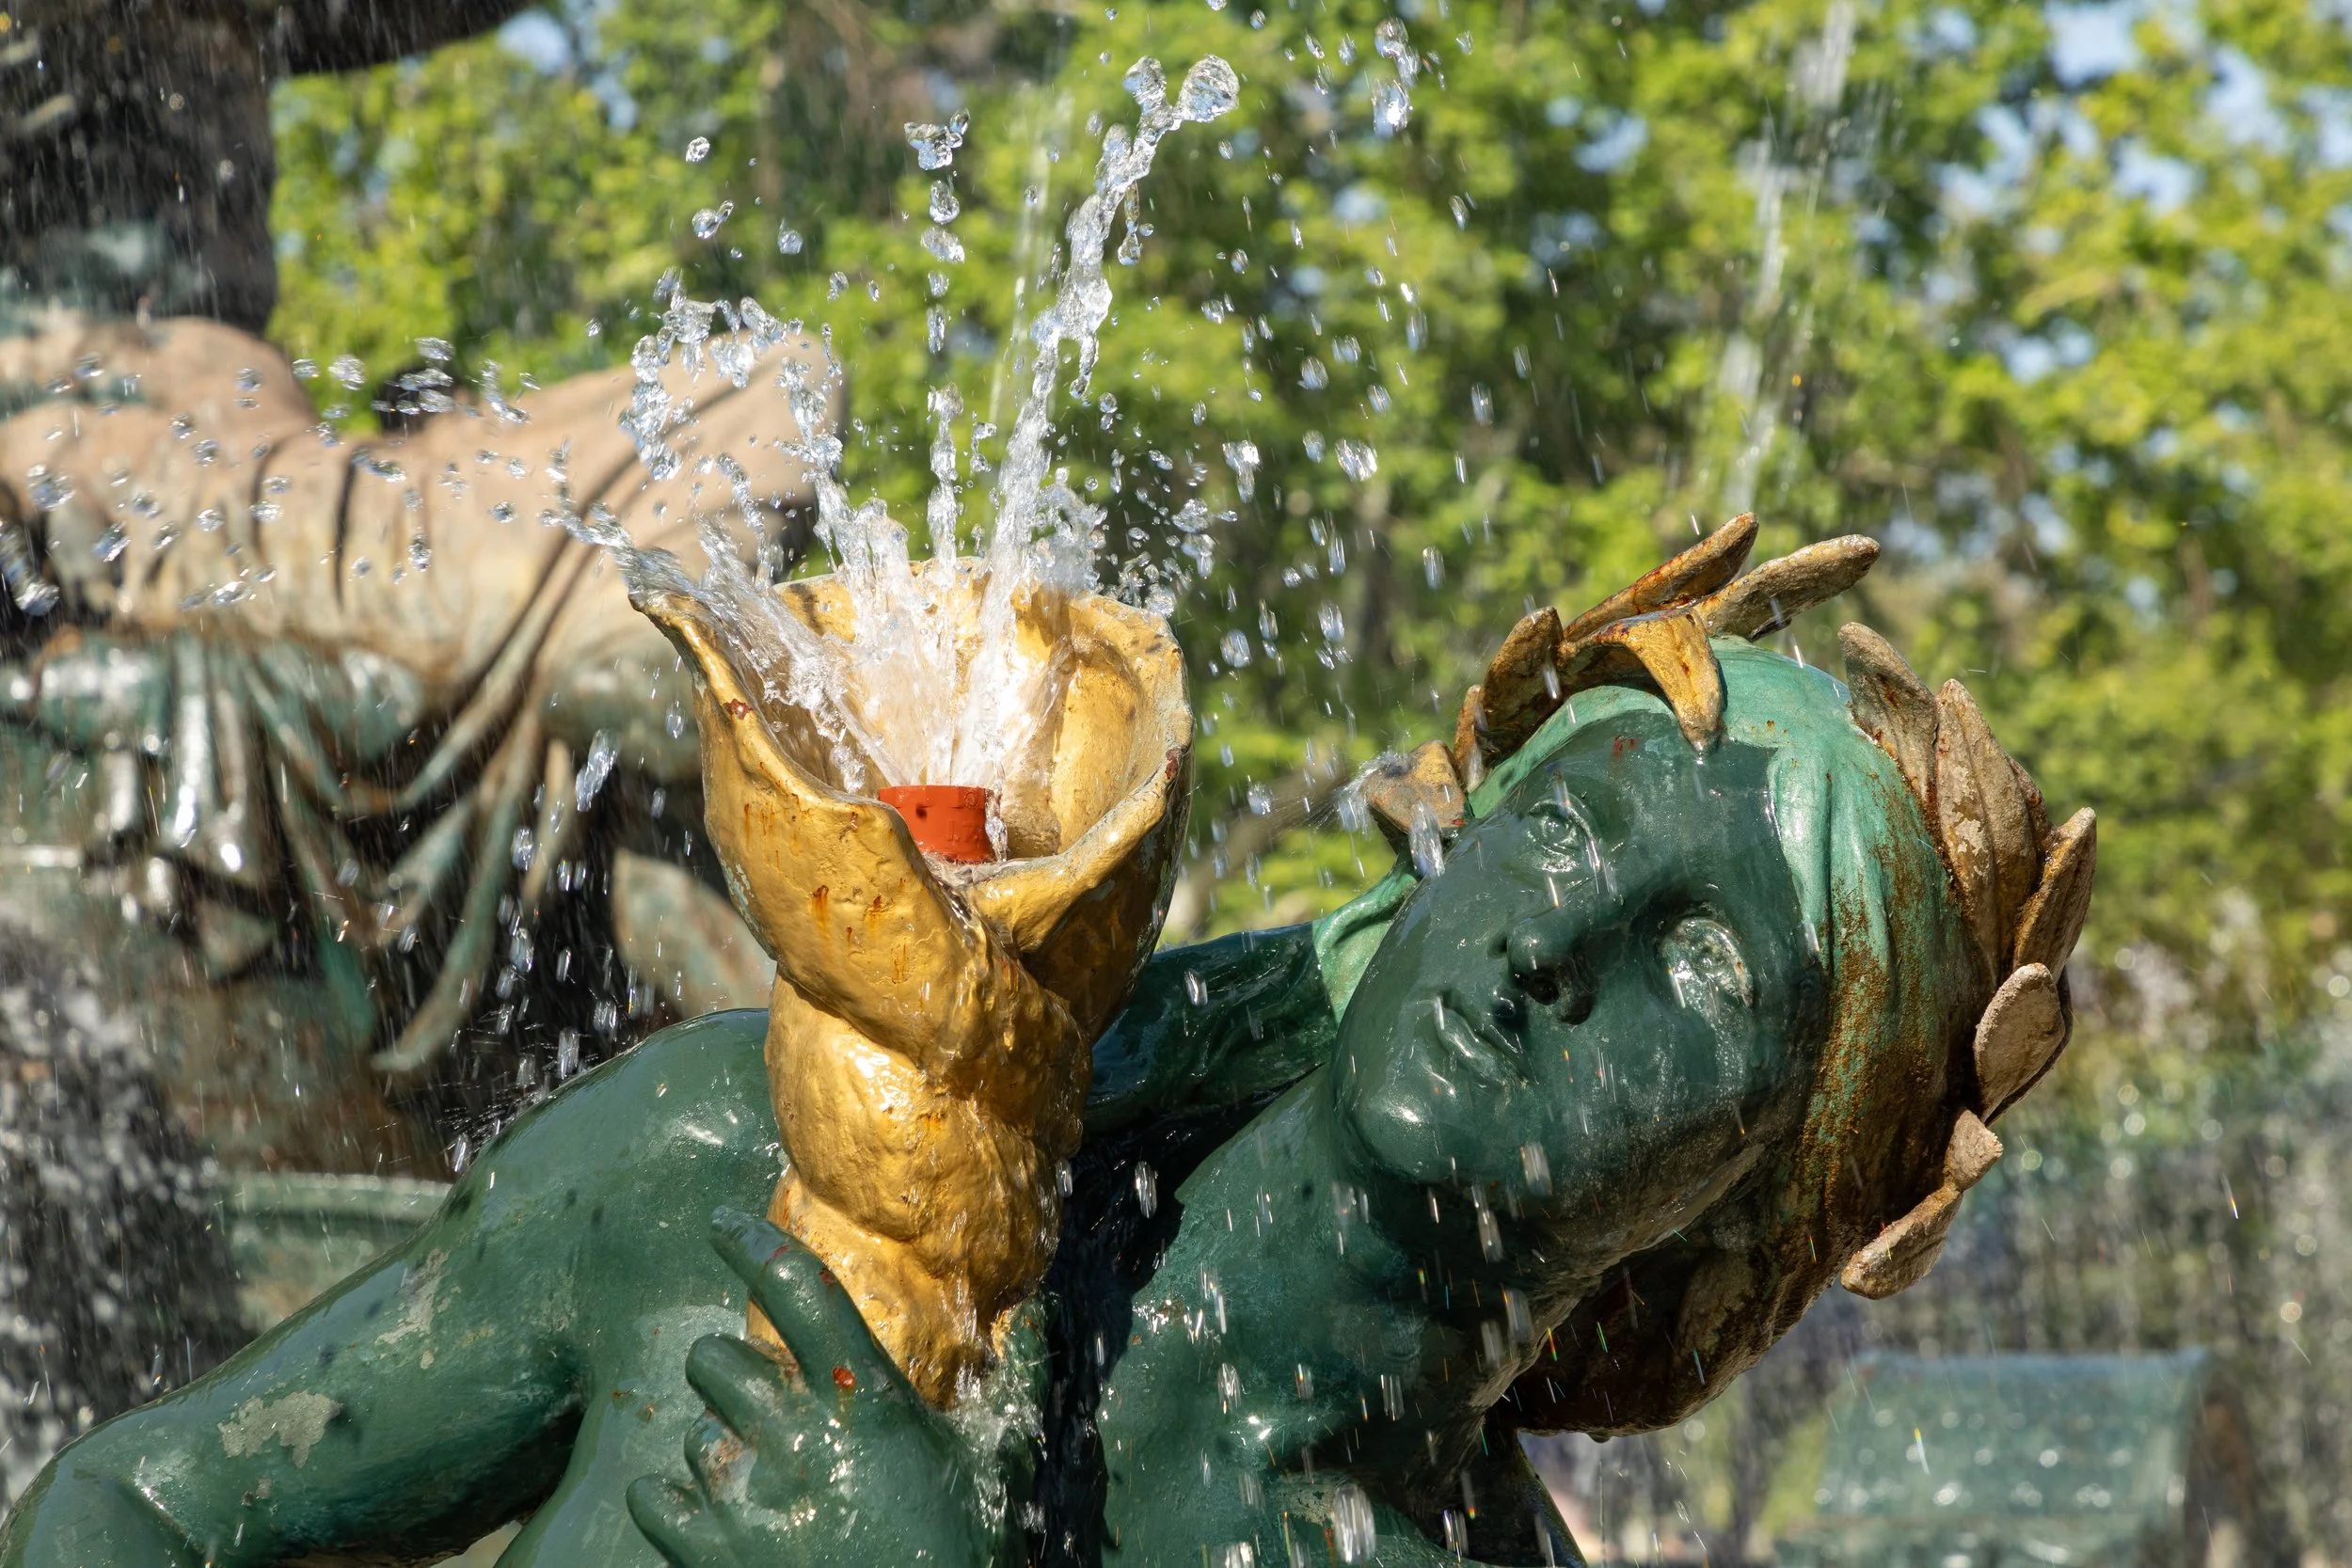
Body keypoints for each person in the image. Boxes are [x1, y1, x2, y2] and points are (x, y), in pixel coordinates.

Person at [0, 524, 2094, 1565]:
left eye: (1707, 976)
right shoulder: (742, 1177)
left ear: (1763, 1195)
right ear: (1449, 841)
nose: (1561, 942)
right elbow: (123, 1515)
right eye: (1559, 823)